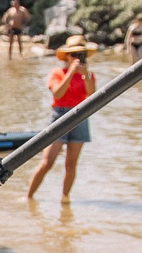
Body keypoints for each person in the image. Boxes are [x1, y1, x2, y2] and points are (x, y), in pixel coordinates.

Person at [23, 35, 97, 201]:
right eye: (74, 55)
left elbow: (92, 95)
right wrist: (70, 73)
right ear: (67, 57)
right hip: (60, 115)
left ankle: (65, 200)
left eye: (80, 55)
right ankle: (28, 196)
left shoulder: (88, 75)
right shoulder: (57, 73)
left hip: (81, 115)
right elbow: (58, 93)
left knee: (71, 164)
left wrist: (85, 75)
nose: (77, 59)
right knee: (47, 161)